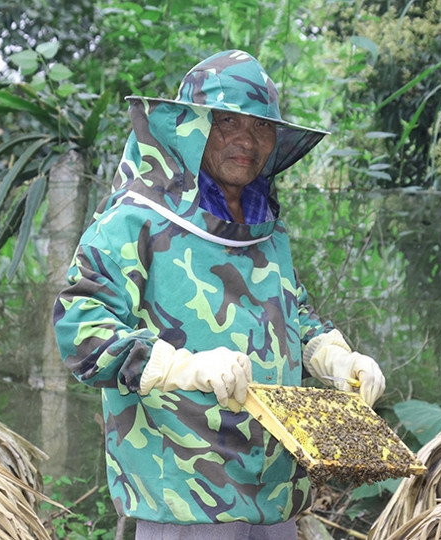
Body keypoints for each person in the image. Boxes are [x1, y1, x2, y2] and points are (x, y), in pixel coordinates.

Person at [52, 49, 386, 539]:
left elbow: (295, 313)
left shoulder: (265, 229)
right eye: (227, 121)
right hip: (184, 501)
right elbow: (80, 328)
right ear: (189, 127)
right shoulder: (136, 218)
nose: (246, 140)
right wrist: (181, 367)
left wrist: (336, 358)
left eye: (261, 127)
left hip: (275, 496)